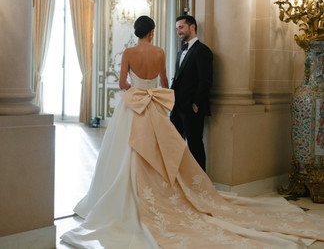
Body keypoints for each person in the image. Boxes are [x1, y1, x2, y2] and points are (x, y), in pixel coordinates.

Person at [61, 15, 324, 249]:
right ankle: (173, 192)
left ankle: (127, 195)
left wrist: (137, 89)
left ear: (136, 32)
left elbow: (121, 83)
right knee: (161, 148)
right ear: (151, 32)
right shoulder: (161, 52)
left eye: (181, 27)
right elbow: (165, 83)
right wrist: (152, 90)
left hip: (134, 107)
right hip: (154, 107)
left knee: (127, 151)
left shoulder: (129, 52)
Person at [170, 15, 213, 171]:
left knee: (195, 146)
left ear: (192, 27)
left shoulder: (203, 51)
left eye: (181, 27)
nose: (178, 31)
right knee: (173, 145)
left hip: (192, 109)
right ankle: (179, 181)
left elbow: (205, 81)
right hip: (177, 108)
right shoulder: (181, 51)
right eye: (177, 29)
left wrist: (196, 104)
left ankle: (200, 185)